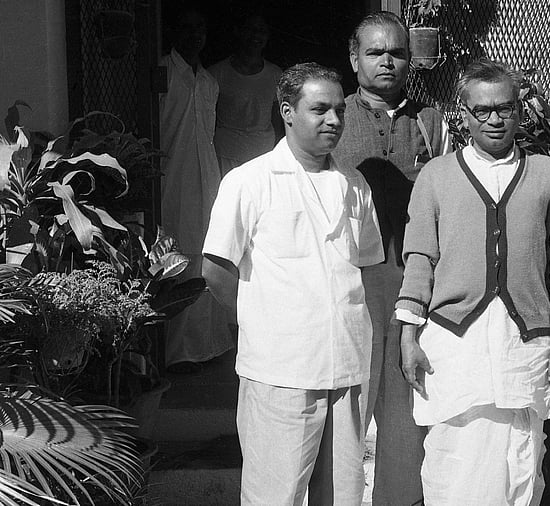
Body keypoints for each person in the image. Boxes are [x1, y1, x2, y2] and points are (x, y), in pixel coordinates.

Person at [397, 59, 550, 506]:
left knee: (522, 455)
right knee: (456, 457)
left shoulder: (547, 173)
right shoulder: (436, 176)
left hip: (525, 343)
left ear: (520, 112)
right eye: (482, 110)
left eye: (504, 108)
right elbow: (419, 257)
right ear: (463, 114)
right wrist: (409, 334)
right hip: (454, 342)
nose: (494, 119)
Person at [201, 63, 383, 505]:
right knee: (274, 494)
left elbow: (369, 266)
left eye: (339, 110)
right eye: (319, 110)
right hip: (280, 370)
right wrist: (261, 322)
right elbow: (215, 269)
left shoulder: (354, 184)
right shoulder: (249, 181)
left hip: (345, 367)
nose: (334, 121)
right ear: (287, 111)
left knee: (342, 492)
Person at [330, 11, 449, 506]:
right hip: (348, 282)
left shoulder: (431, 121)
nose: (387, 61)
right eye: (375, 52)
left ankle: (398, 499)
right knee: (348, 404)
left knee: (405, 404)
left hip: (411, 281)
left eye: (397, 52)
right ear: (354, 58)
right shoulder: (334, 117)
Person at [159, 7, 232, 372]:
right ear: (173, 31)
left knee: (207, 255)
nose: (195, 36)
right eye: (187, 28)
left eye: (200, 29)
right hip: (171, 179)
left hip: (207, 177)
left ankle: (206, 346)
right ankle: (174, 352)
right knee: (176, 256)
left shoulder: (207, 81)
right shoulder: (161, 72)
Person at [208, 13, 283, 176]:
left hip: (263, 155)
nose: (256, 35)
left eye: (261, 30)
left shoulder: (276, 75)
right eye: (250, 29)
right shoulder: (215, 74)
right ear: (238, 32)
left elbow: (279, 120)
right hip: (225, 155)